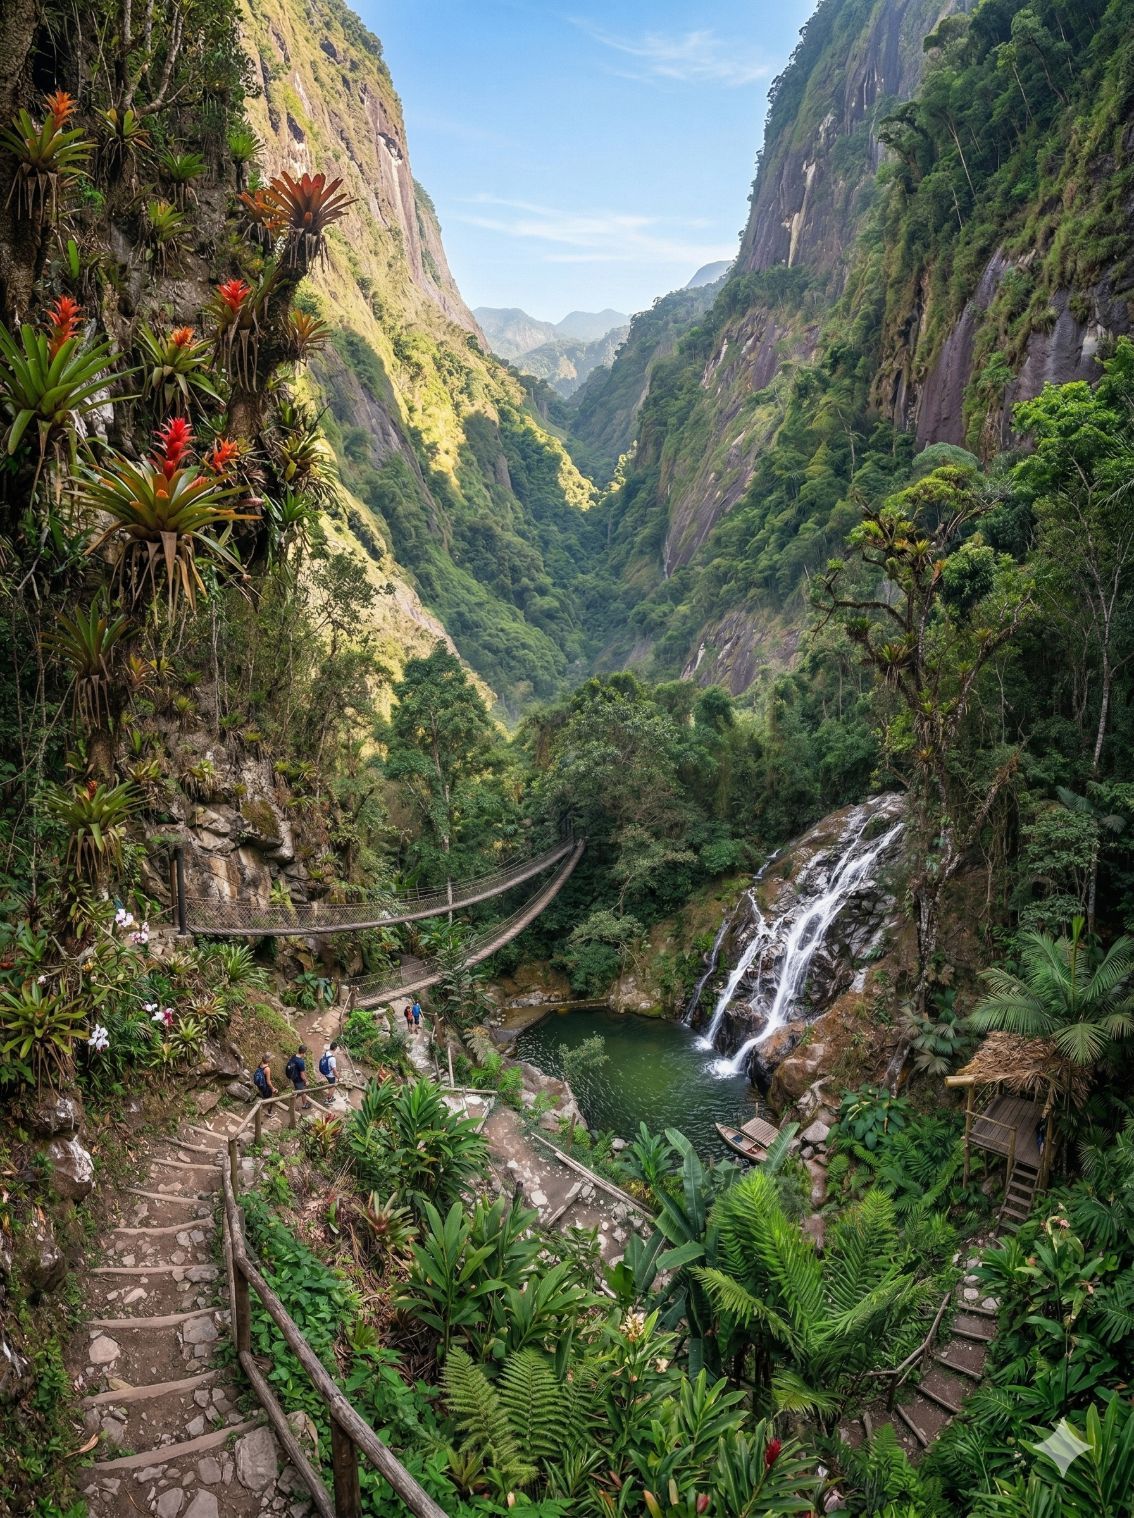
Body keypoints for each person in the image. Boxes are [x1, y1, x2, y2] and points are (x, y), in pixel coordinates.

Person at [285, 1044, 312, 1109]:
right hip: (298, 1079)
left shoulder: (293, 1056)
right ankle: (303, 1105)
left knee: (299, 1091)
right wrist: (306, 1081)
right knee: (302, 1092)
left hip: (293, 1077)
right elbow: (302, 1075)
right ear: (304, 1052)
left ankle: (300, 1102)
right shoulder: (300, 1062)